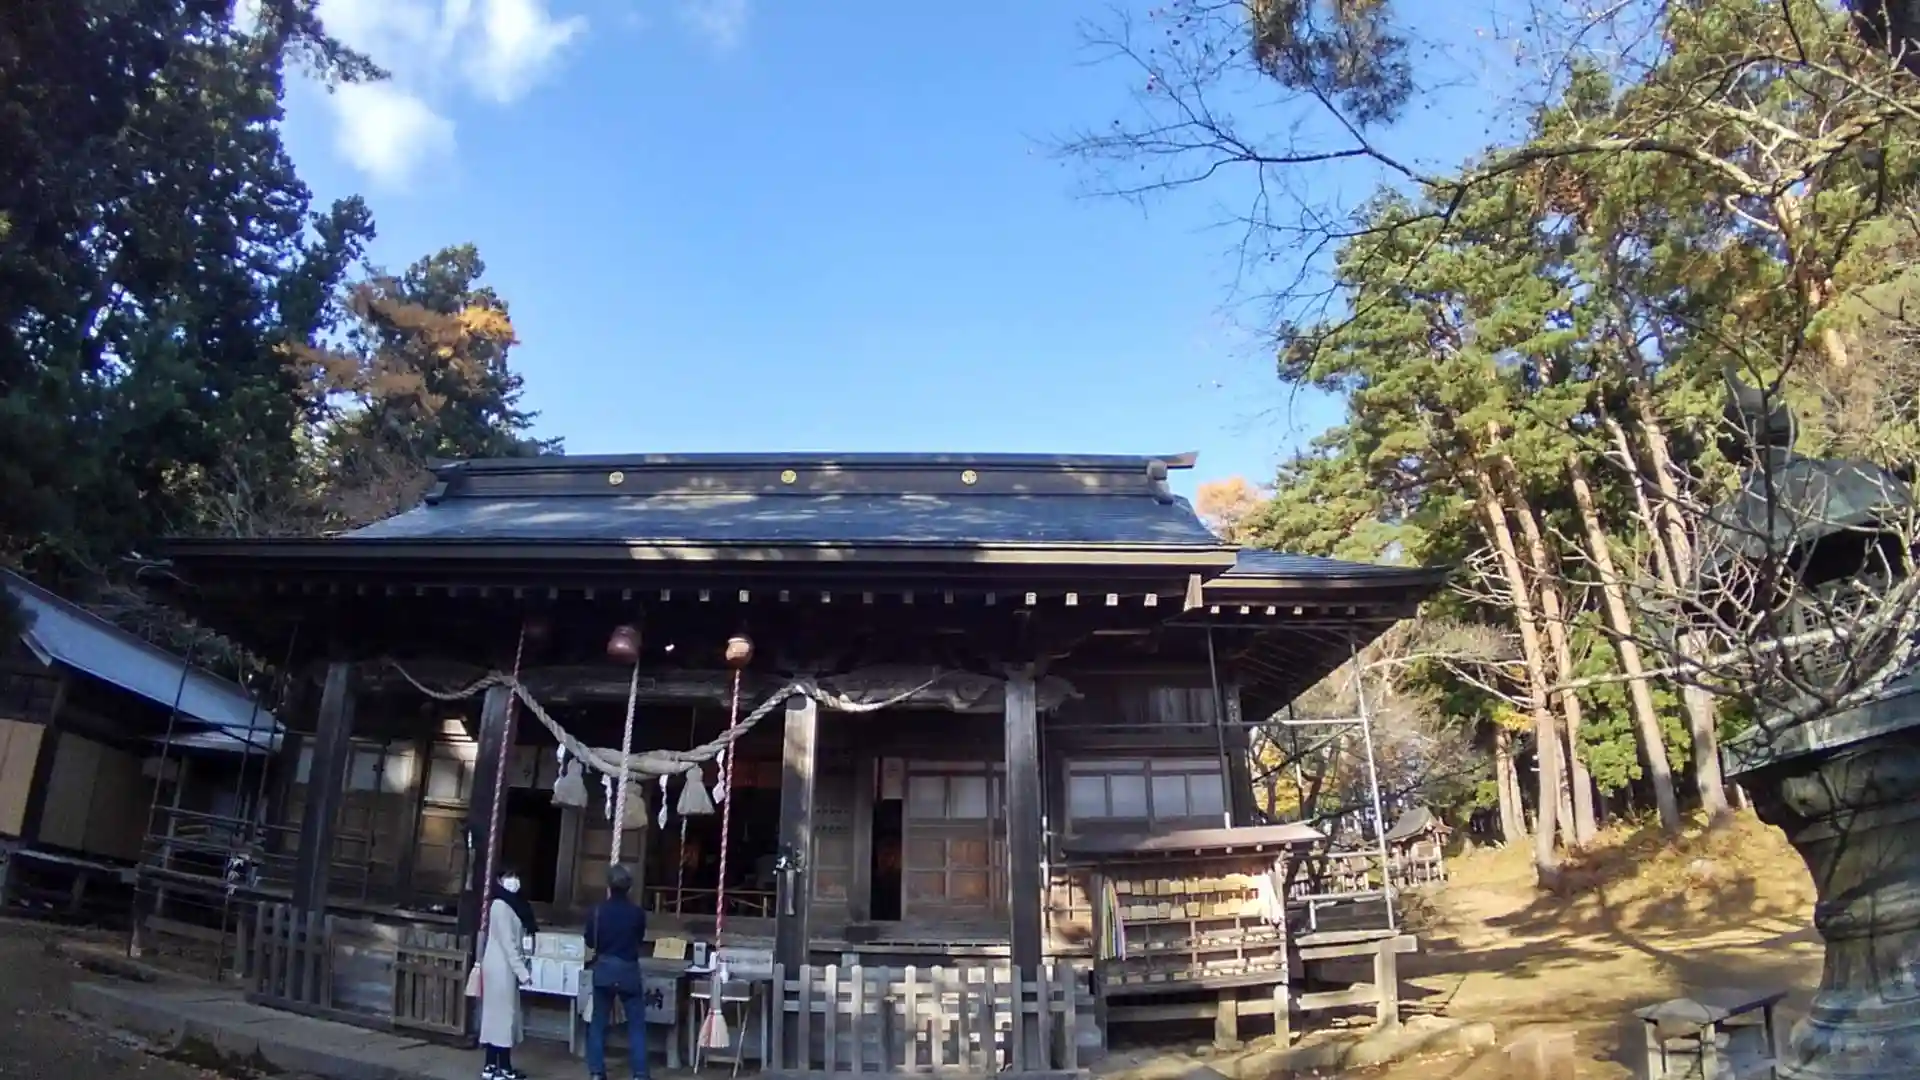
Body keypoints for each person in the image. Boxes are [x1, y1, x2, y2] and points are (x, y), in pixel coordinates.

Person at [584, 863, 648, 1080]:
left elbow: (589, 941)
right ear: (629, 887)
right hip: (628, 970)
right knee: (636, 1025)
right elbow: (639, 939)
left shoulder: (597, 912)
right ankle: (640, 1073)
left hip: (603, 968)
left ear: (609, 885)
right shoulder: (637, 913)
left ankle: (596, 1072)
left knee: (598, 1023)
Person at [479, 866, 536, 1080]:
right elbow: (508, 943)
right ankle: (502, 1067)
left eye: (516, 876)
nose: (514, 880)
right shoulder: (501, 905)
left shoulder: (510, 904)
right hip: (501, 967)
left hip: (502, 966)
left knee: (497, 1017)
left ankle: (492, 1065)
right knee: (503, 1018)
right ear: (500, 880)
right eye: (509, 877)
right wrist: (523, 972)